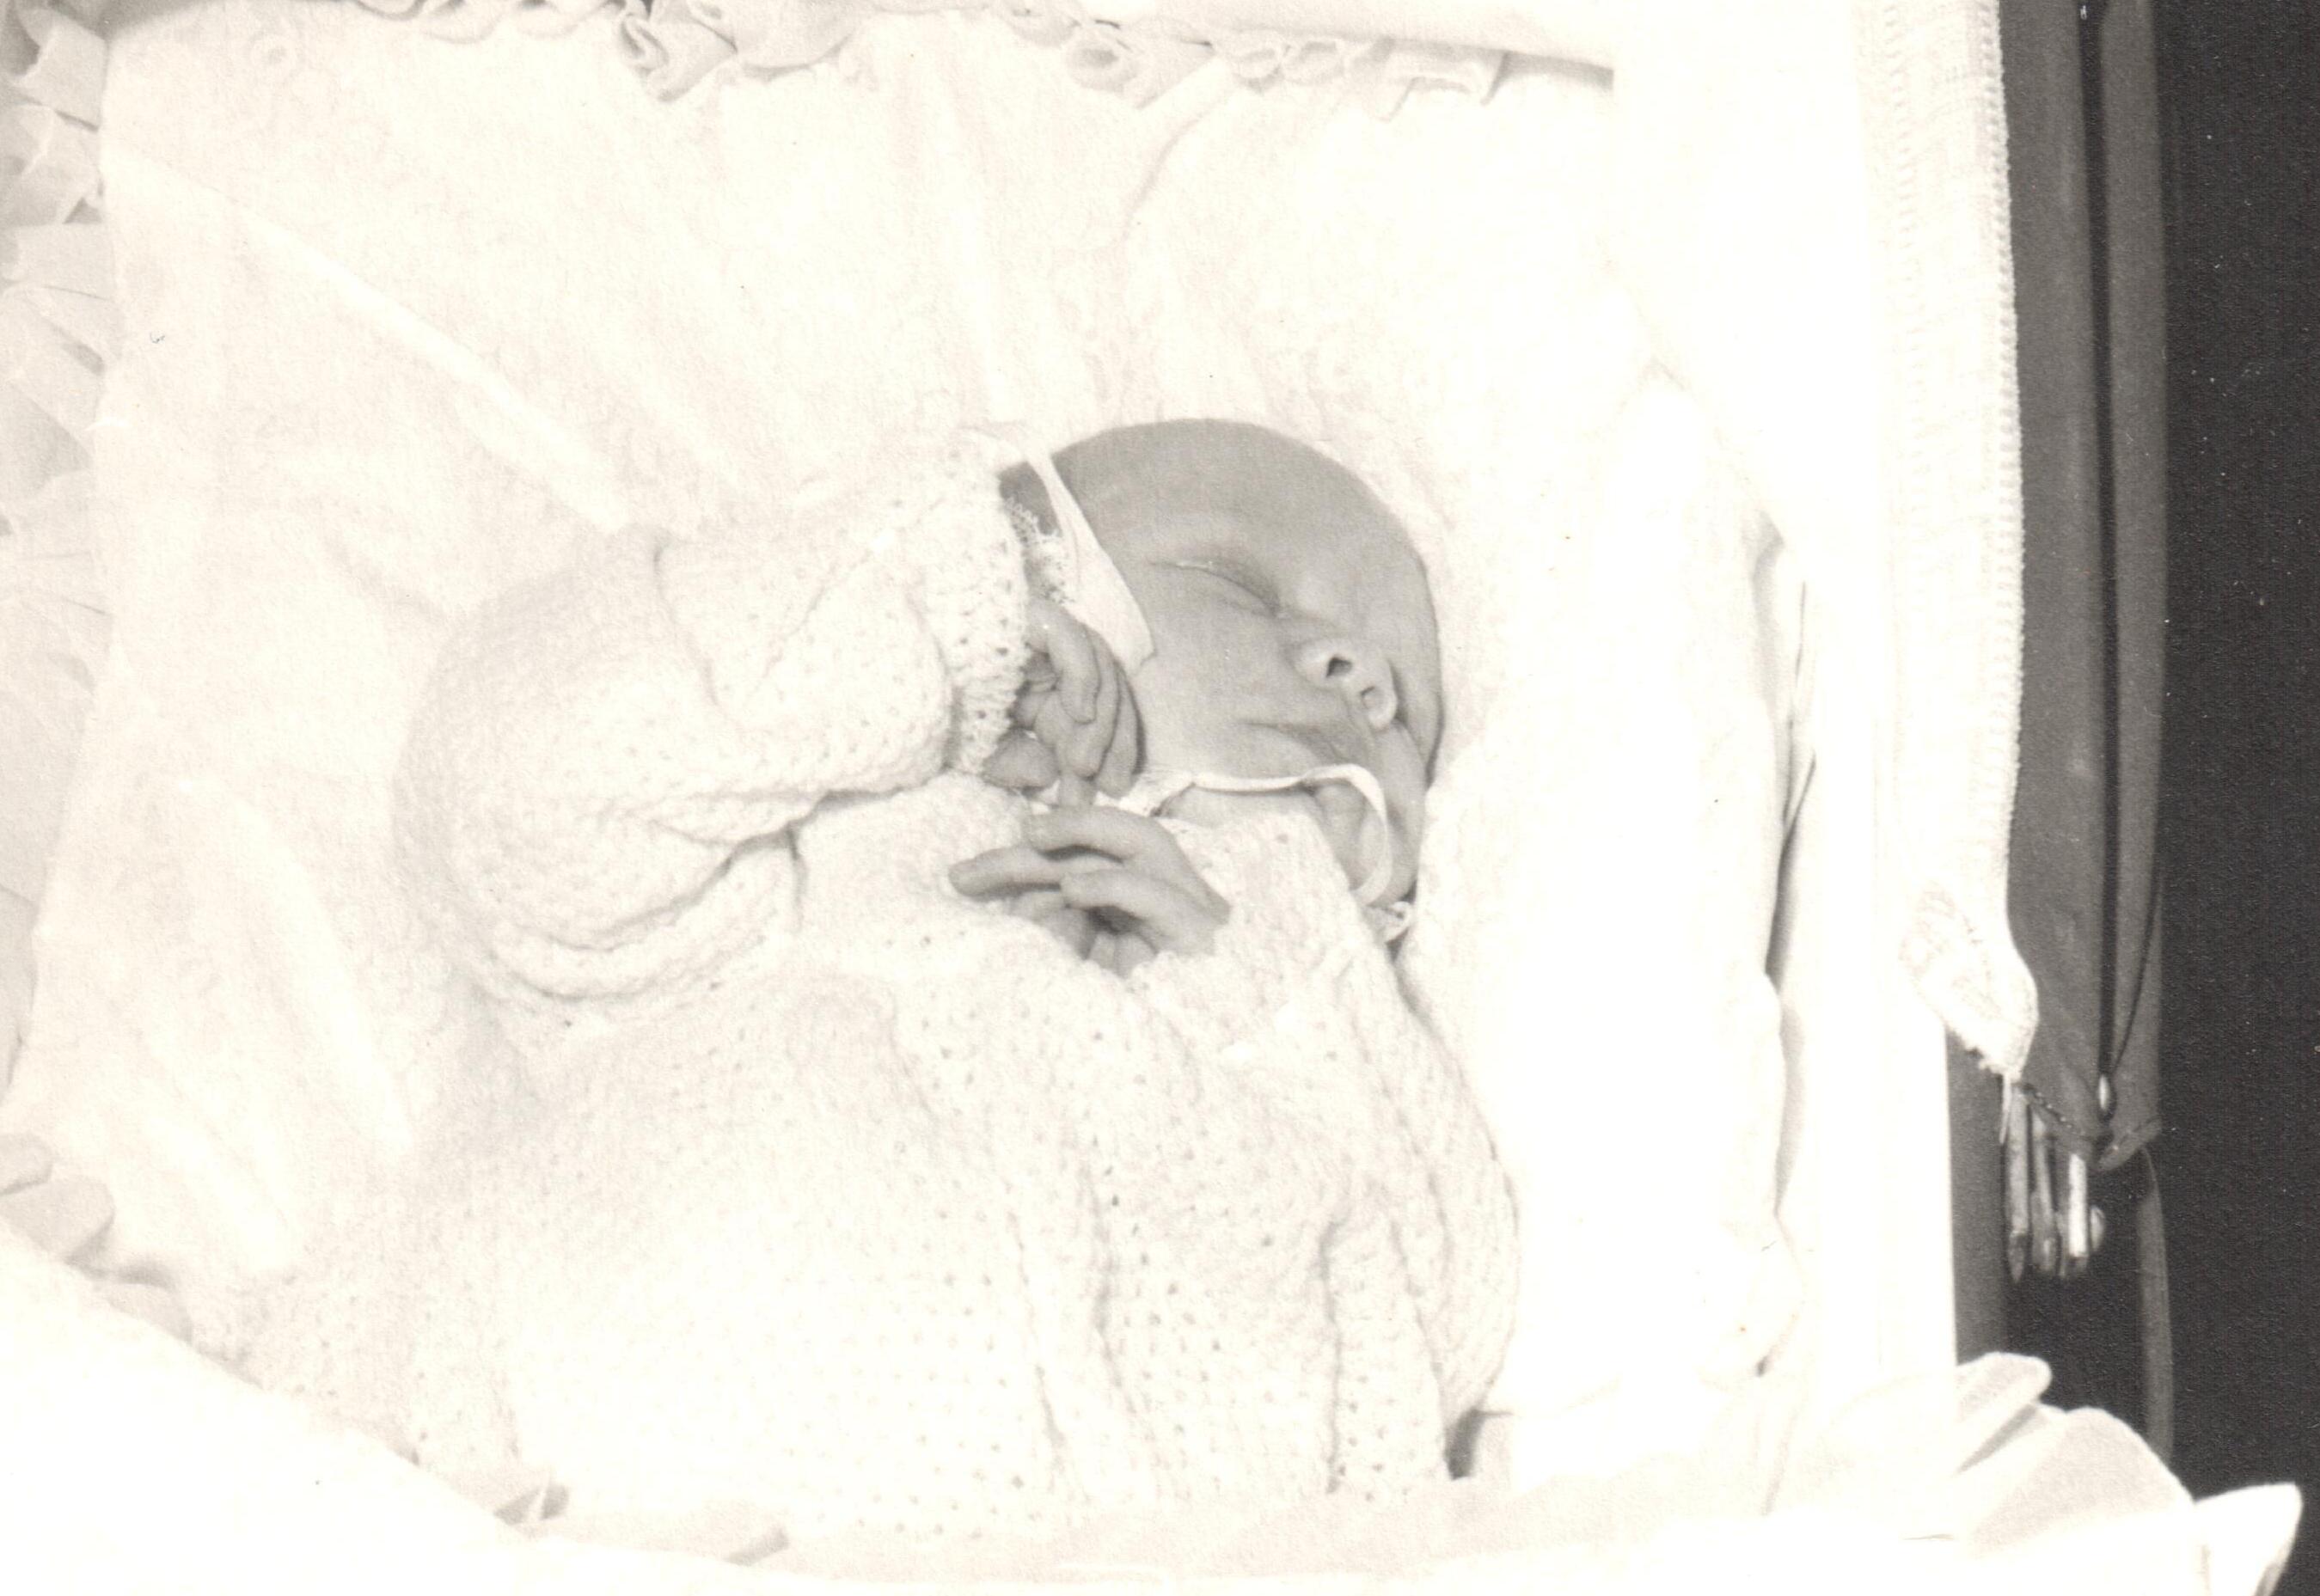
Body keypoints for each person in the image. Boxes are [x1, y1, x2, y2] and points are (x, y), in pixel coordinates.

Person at [233, 419, 1515, 1553]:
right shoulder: (789, 860)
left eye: (1404, 707)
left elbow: (1420, 1341)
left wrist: (1265, 989)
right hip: (522, 1474)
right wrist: (935, 620)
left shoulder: (1296, 1012)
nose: (1356, 672)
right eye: (1237, 586)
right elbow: (506, 805)